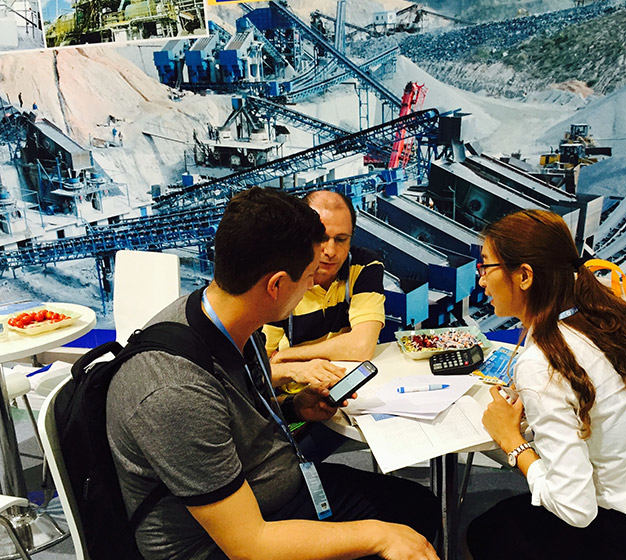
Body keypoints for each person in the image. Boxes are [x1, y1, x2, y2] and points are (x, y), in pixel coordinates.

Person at [106, 187, 439, 560]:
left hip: (273, 490)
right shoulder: (175, 391)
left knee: (416, 508)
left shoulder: (226, 318)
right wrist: (378, 536)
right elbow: (250, 544)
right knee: (403, 528)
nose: (313, 284)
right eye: (309, 276)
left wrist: (294, 408)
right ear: (277, 285)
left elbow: (233, 416)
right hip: (218, 544)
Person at [466, 209, 626, 560]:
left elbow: (576, 510)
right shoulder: (611, 317)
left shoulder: (543, 362)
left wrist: (512, 442)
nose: (481, 280)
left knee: (485, 532)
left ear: (525, 276)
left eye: (486, 266)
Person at [264, 190, 385, 392]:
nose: (330, 251)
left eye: (341, 239)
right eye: (321, 238)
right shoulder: (281, 281)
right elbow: (258, 371)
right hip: (294, 397)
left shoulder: (364, 266)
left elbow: (362, 345)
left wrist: (288, 355)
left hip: (345, 387)